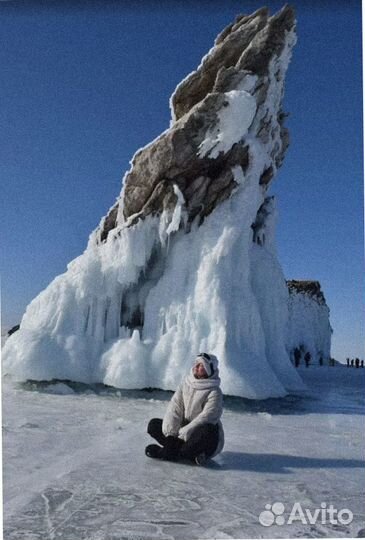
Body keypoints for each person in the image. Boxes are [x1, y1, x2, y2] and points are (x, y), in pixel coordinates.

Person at [145, 352, 224, 465]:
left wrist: (181, 435)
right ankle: (184, 452)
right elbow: (175, 408)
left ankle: (170, 452)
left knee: (207, 430)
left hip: (201, 436)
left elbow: (207, 417)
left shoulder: (214, 392)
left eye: (201, 365)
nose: (196, 367)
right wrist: (171, 436)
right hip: (182, 435)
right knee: (154, 425)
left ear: (209, 369)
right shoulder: (185, 384)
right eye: (196, 363)